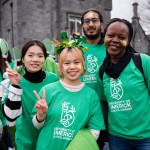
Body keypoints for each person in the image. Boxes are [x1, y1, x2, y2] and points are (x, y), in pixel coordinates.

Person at [32, 46, 105, 150]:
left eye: (76, 62)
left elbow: (94, 130)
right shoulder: (47, 91)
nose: (72, 67)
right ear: (61, 66)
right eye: (67, 63)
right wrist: (40, 116)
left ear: (83, 65)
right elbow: (37, 126)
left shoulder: (91, 95)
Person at [98, 18, 150, 150]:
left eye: (121, 37)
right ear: (105, 38)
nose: (115, 40)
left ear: (128, 41)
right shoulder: (102, 70)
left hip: (145, 138)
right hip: (117, 138)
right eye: (110, 35)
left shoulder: (142, 62)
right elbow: (104, 102)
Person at [2, 40, 59, 150]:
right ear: (23, 59)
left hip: (51, 140)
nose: (35, 60)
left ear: (45, 59)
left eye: (40, 55)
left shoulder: (53, 79)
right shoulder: (16, 83)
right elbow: (10, 116)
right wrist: (15, 86)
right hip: (26, 142)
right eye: (30, 55)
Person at [81, 8, 107, 149]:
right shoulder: (75, 48)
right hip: (82, 117)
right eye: (87, 21)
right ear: (82, 26)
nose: (90, 24)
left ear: (101, 24)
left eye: (94, 20)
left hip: (108, 116)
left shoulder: (110, 47)